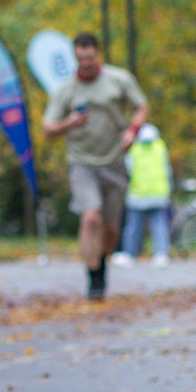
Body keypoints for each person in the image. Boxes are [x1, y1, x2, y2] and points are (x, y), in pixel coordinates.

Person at [40, 32, 148, 299]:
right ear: (74, 58)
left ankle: (100, 264)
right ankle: (94, 280)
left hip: (114, 161)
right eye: (80, 59)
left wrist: (133, 131)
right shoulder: (67, 90)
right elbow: (47, 129)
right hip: (82, 163)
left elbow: (142, 106)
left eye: (89, 58)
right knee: (90, 218)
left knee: (110, 228)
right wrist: (69, 123)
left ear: (97, 54)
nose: (85, 63)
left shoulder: (118, 80)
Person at [122, 122, 173, 265]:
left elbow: (128, 169)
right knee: (159, 226)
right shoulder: (160, 147)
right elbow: (167, 170)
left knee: (134, 227)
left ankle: (130, 254)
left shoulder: (135, 149)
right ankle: (161, 254)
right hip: (158, 193)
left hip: (138, 193)